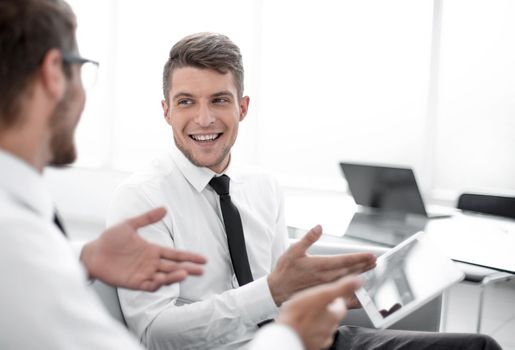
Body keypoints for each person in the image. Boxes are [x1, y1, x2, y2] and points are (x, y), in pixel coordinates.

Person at [107, 32, 502, 350]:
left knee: (479, 345)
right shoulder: (142, 199)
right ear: (166, 111)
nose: (204, 118)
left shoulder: (263, 186)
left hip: (306, 340)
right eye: (186, 102)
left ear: (242, 107)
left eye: (219, 100)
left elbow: (281, 296)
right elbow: (156, 332)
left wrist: (335, 295)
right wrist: (272, 292)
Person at [0, 0, 206, 348]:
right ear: (54, 73)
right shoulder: (15, 240)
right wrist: (290, 331)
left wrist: (83, 258)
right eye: (82, 68)